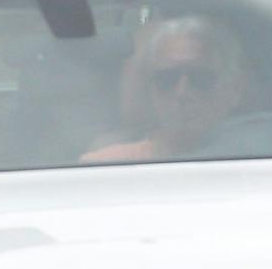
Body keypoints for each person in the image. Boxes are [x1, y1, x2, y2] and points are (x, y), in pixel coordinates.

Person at [82, 16, 249, 163]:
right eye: (167, 79)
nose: (182, 92)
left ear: (234, 90)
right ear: (150, 90)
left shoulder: (265, 164)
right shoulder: (105, 167)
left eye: (200, 78)